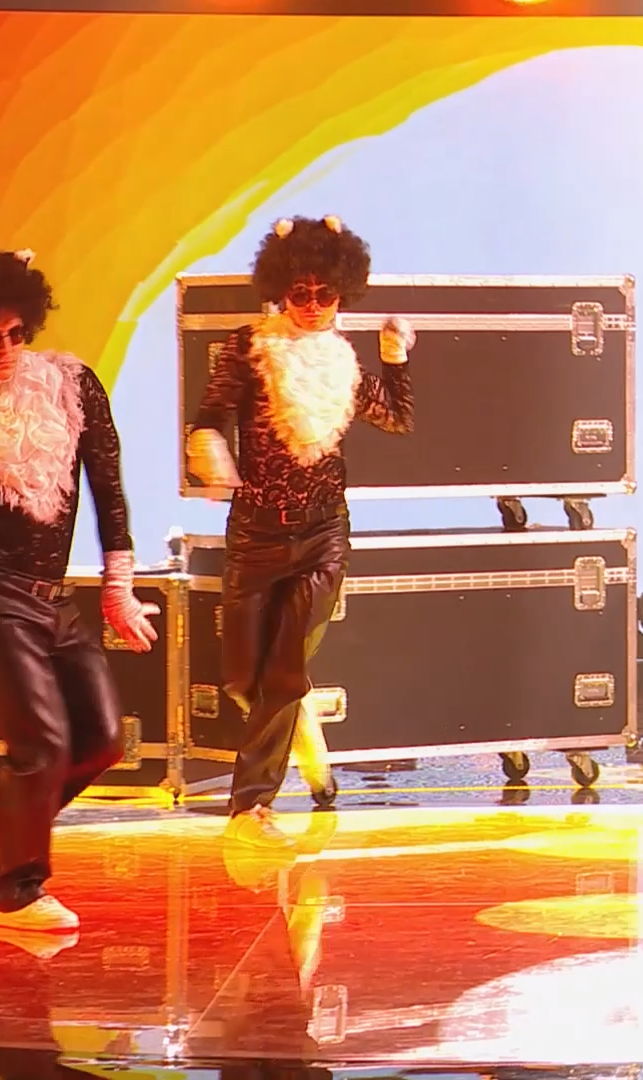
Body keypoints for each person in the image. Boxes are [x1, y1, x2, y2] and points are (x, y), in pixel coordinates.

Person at [0, 243, 157, 933]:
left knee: (101, 741)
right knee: (42, 746)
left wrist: (119, 588)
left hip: (54, 601)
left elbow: (108, 490)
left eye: (16, 332)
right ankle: (16, 891)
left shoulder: (71, 386)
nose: (7, 348)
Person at [186, 215, 414, 848]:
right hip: (255, 537)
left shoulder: (343, 361)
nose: (313, 305)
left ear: (344, 292)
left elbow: (397, 419)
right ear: (279, 290)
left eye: (326, 294)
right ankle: (300, 723)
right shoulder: (248, 347)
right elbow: (209, 415)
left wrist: (395, 359)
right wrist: (209, 449)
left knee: (284, 671)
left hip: (323, 536)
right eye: (301, 293)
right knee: (243, 680)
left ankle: (250, 806)